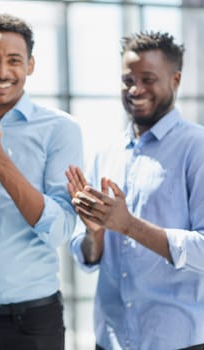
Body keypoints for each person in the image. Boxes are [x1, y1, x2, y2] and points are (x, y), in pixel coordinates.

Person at [0, 13, 83, 350]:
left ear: (30, 65)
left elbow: (60, 230)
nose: (2, 72)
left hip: (33, 324)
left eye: (14, 61)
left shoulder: (60, 129)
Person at [67, 31, 204, 349]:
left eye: (148, 78)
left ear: (176, 79)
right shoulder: (107, 152)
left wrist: (127, 225)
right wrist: (95, 233)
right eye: (128, 79)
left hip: (177, 340)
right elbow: (88, 256)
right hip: (111, 338)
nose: (135, 89)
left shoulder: (197, 148)